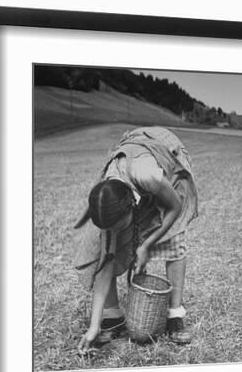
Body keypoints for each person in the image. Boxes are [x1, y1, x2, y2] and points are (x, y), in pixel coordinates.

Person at [74, 126, 198, 352]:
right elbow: (105, 267)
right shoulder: (108, 191)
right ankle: (113, 317)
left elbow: (175, 207)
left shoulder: (148, 175)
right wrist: (93, 328)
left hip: (165, 159)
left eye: (119, 225)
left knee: (173, 240)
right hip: (133, 171)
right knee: (100, 251)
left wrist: (146, 245)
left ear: (132, 207)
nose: (114, 231)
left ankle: (174, 315)